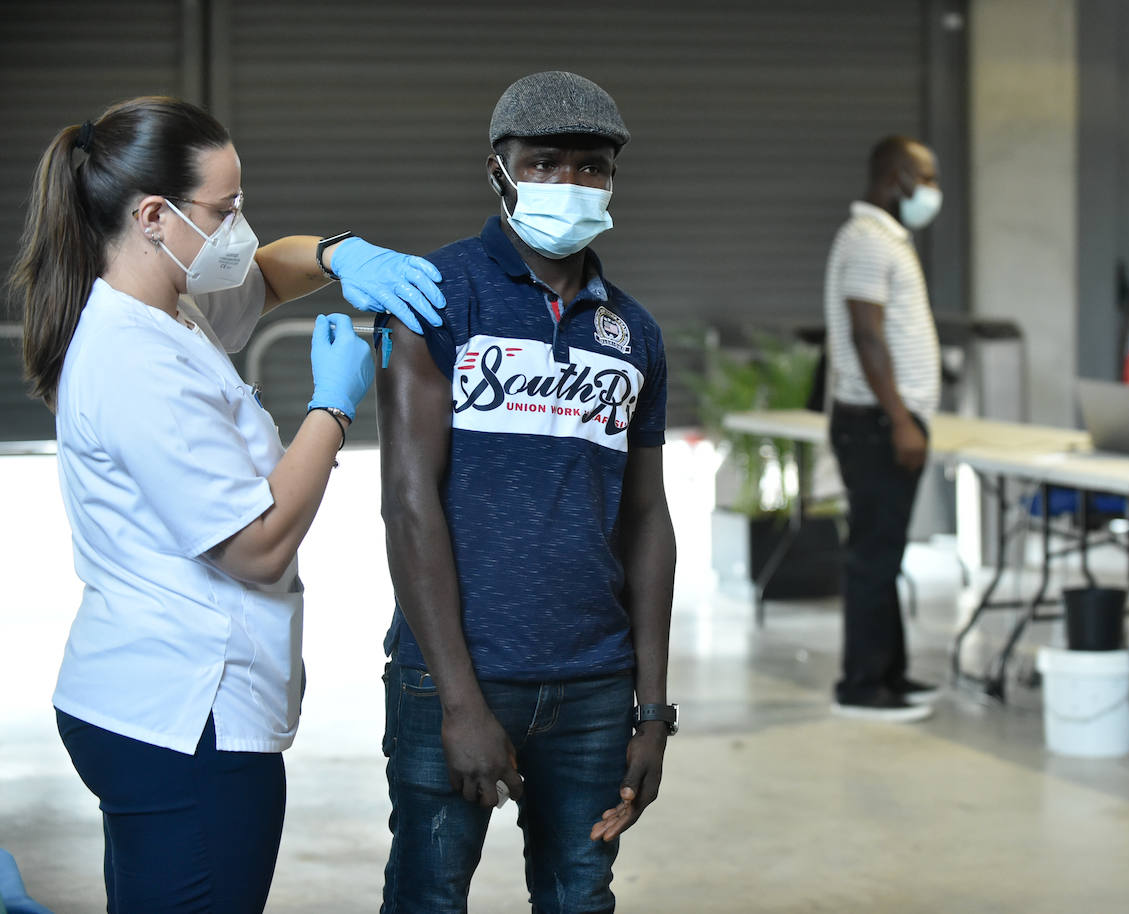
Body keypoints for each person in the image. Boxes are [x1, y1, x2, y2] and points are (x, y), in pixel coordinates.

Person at [8, 95, 445, 912]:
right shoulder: (133, 360)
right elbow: (258, 545)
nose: (241, 225)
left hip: (152, 701)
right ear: (153, 215)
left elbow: (269, 271)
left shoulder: (163, 303)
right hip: (182, 718)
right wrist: (334, 407)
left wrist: (338, 252)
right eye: (225, 208)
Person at [375, 71, 676, 913]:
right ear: (499, 172)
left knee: (580, 897)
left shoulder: (634, 332)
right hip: (455, 677)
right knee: (428, 897)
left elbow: (647, 520)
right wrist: (462, 702)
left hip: (592, 684)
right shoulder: (436, 297)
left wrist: (653, 708)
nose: (571, 184)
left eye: (592, 167)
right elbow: (408, 502)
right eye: (545, 162)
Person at [822, 136, 943, 722]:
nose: (932, 190)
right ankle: (863, 684)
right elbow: (867, 336)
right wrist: (901, 419)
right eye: (927, 177)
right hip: (876, 422)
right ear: (897, 177)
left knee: (884, 553)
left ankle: (890, 672)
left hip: (883, 419)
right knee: (873, 556)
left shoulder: (884, 238)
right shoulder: (869, 241)